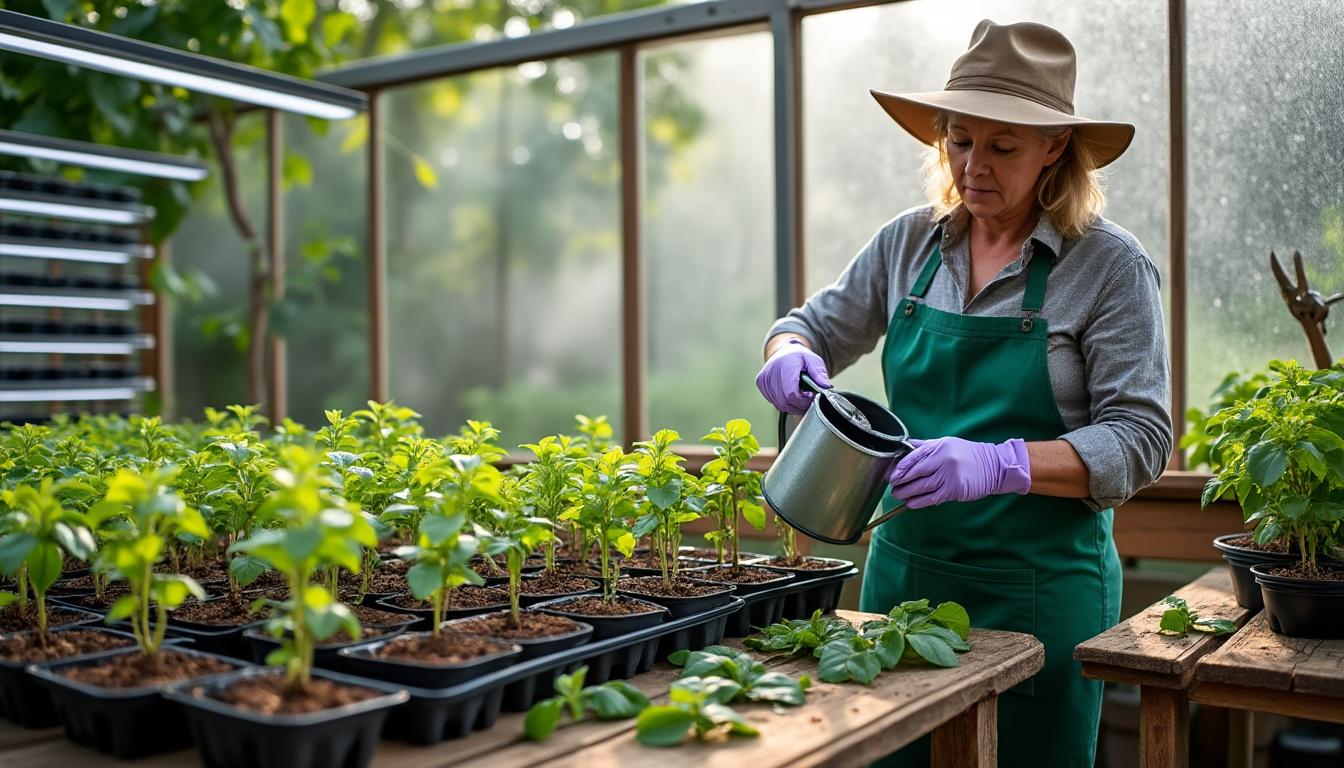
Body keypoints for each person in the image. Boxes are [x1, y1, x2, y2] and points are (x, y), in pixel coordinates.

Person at [755, 19, 1172, 767]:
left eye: (1002, 146)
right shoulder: (906, 243)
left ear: (1055, 147)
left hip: (1037, 595)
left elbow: (1140, 439)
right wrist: (789, 351)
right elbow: (810, 324)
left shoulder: (1109, 267)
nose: (973, 165)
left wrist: (999, 463)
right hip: (903, 582)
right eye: (958, 138)